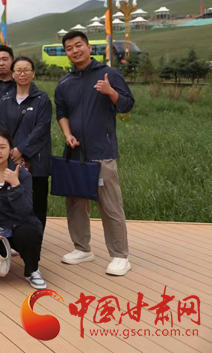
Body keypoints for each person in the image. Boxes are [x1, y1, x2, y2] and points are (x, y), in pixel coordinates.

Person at [55, 31, 135, 276]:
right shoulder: (65, 82)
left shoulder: (108, 74)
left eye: (78, 45)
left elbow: (127, 104)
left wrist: (110, 91)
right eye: (69, 48)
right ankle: (82, 248)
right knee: (75, 203)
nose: (75, 50)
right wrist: (67, 134)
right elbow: (61, 113)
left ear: (89, 47)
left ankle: (120, 256)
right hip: (75, 152)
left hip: (102, 151)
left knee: (110, 205)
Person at [0, 129, 46, 289]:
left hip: (19, 225)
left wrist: (15, 185)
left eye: (2, 147)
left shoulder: (22, 175)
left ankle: (32, 270)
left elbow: (26, 209)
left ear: (10, 149)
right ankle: (3, 253)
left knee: (31, 232)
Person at [0, 56, 52, 227]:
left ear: (33, 73)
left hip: (37, 160)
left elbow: (41, 129)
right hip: (12, 160)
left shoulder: (42, 99)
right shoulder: (5, 100)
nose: (22, 74)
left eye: (26, 70)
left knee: (37, 202)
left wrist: (21, 150)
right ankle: (17, 236)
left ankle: (37, 236)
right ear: (13, 74)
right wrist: (12, 152)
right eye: (18, 70)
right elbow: (3, 129)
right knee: (13, 200)